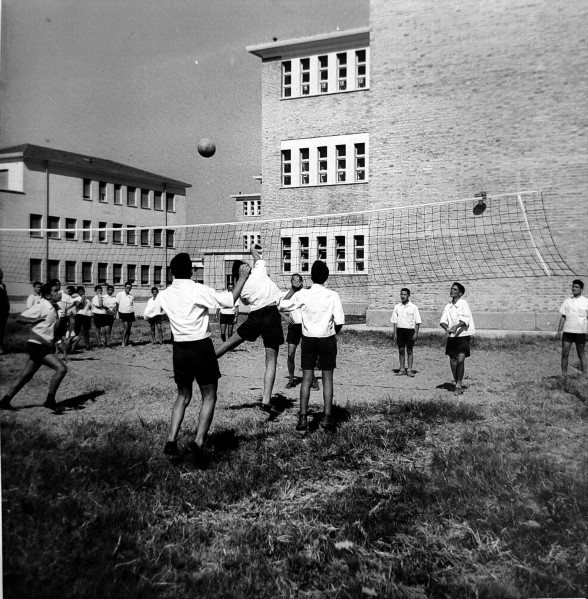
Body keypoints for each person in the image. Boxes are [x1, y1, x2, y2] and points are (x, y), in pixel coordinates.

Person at [144, 252, 251, 466]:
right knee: (209, 396)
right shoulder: (197, 289)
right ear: (191, 270)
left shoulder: (164, 294)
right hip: (200, 347)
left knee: (183, 395)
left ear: (172, 272)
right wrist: (242, 277)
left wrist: (169, 311)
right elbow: (229, 300)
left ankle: (171, 438)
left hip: (179, 349)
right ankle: (199, 441)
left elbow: (148, 314)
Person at [215, 245, 286, 416]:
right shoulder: (259, 270)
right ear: (246, 267)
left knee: (229, 344)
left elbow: (245, 303)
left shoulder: (240, 288)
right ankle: (266, 401)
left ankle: (202, 363)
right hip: (270, 314)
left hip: (255, 317)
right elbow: (257, 256)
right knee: (271, 362)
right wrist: (252, 248)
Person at [282, 260, 345, 433]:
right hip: (326, 338)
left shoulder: (303, 294)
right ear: (326, 277)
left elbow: (281, 305)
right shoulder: (333, 295)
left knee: (307, 378)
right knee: (327, 379)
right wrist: (330, 330)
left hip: (308, 339)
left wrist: (294, 291)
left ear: (310, 276)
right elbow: (339, 322)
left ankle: (303, 418)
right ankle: (327, 417)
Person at [0, 282, 68, 411]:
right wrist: (33, 320)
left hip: (46, 344)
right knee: (61, 369)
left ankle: (5, 401)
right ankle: (50, 401)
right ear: (48, 295)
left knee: (26, 376)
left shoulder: (56, 307)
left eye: (59, 290)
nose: (60, 292)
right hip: (37, 344)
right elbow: (20, 318)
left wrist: (62, 327)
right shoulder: (42, 305)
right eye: (56, 290)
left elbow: (55, 328)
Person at [282, 273, 319, 390]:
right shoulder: (288, 294)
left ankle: (312, 380)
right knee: (290, 354)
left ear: (302, 282)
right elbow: (278, 306)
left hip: (304, 326)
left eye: (298, 280)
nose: (296, 281)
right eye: (293, 279)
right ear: (291, 282)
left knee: (308, 354)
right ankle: (291, 379)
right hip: (293, 327)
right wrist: (285, 317)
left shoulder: (306, 293)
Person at [439, 282, 476, 396]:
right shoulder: (448, 306)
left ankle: (458, 384)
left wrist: (456, 326)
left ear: (460, 293)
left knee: (460, 359)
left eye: (454, 289)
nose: (452, 291)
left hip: (463, 335)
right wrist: (448, 329)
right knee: (453, 360)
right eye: (451, 289)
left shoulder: (463, 303)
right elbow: (443, 321)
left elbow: (466, 319)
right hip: (452, 336)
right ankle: (457, 383)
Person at [556, 279, 587, 377]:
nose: (574, 288)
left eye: (576, 287)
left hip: (580, 332)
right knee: (565, 353)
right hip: (568, 331)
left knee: (581, 353)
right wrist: (559, 331)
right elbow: (563, 317)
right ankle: (564, 375)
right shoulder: (567, 301)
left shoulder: (586, 301)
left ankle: (585, 374)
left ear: (581, 289)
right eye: (573, 286)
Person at [391, 287, 422, 377]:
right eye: (401, 294)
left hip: (410, 331)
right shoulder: (397, 307)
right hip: (400, 330)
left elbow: (417, 322)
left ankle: (409, 369)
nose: (403, 296)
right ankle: (402, 369)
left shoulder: (413, 307)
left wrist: (416, 333)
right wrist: (395, 334)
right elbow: (395, 321)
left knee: (409, 350)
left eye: (404, 294)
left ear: (408, 296)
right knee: (401, 350)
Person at [70, 286, 93, 353]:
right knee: (76, 331)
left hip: (86, 315)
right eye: (80, 292)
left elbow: (90, 307)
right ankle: (73, 346)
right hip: (79, 315)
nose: (82, 293)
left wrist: (90, 314)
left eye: (82, 291)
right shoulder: (77, 299)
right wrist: (82, 299)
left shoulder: (88, 300)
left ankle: (88, 346)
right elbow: (80, 306)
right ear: (78, 292)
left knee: (86, 331)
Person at [115, 281, 135, 347]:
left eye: (130, 288)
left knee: (129, 328)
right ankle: (123, 342)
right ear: (124, 287)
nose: (128, 289)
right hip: (123, 313)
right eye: (127, 287)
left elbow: (131, 305)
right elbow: (117, 304)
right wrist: (116, 313)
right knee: (126, 327)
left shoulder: (131, 296)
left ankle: (127, 342)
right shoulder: (119, 294)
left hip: (130, 312)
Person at [0, 268, 9, 355]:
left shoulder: (3, 285)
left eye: (1, 273)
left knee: (2, 330)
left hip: (4, 312)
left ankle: (1, 346)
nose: (0, 275)